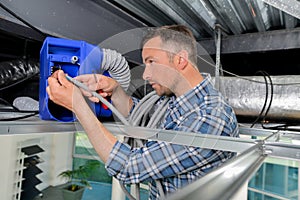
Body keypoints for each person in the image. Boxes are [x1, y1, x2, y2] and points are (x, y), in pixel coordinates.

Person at [47, 25, 239, 199]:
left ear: (180, 60)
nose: (146, 75)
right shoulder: (176, 100)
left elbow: (129, 166)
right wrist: (115, 90)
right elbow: (139, 116)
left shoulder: (210, 117)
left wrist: (78, 106)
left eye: (151, 62)